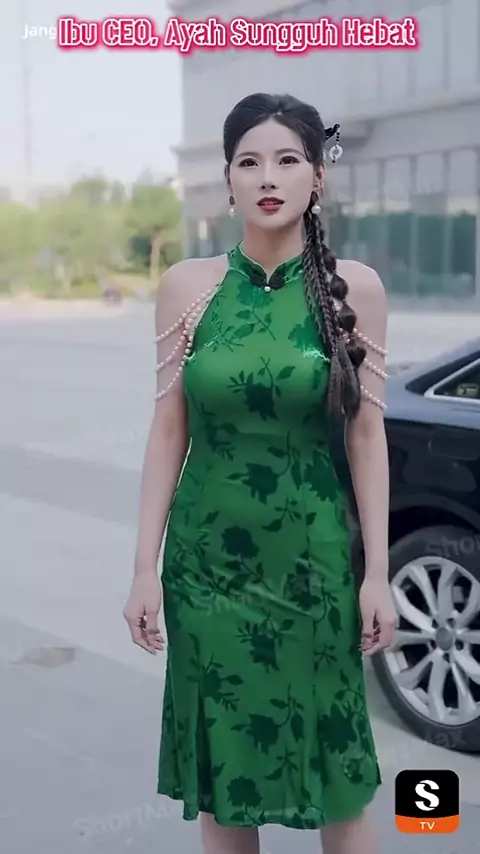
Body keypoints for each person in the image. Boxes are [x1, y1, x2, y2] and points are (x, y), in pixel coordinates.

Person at [123, 92, 397, 854]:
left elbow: (367, 436)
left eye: (286, 160)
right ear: (228, 180)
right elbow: (167, 430)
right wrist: (143, 568)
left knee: (338, 771)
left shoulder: (356, 290)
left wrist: (377, 574)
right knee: (227, 778)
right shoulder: (188, 287)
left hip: (313, 566)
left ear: (317, 177)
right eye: (249, 162)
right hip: (205, 570)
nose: (267, 177)